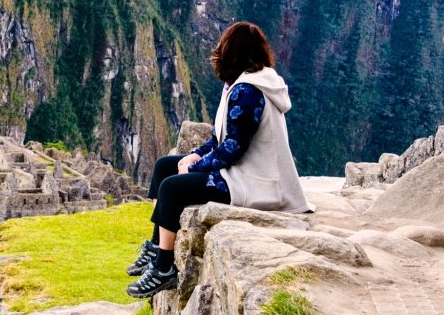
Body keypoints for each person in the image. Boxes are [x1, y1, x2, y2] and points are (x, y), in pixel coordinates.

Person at [125, 21, 312, 299]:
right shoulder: (242, 85)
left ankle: (164, 268)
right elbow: (219, 139)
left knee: (172, 187)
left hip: (252, 181)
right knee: (165, 165)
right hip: (240, 172)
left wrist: (196, 166)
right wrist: (194, 155)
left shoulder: (248, 91)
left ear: (230, 52)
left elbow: (233, 148)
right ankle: (155, 248)